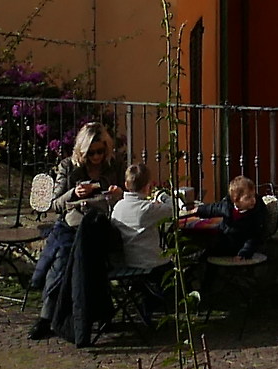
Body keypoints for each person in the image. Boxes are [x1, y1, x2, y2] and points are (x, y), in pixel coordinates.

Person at [28, 121, 122, 343]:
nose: (97, 157)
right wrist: (73, 193)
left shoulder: (114, 166)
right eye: (91, 153)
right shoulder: (67, 167)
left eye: (100, 151)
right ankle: (47, 317)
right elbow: (54, 204)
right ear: (82, 151)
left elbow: (128, 193)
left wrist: (118, 192)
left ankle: (93, 314)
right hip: (73, 224)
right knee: (63, 258)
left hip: (101, 225)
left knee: (87, 257)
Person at [109, 159, 179, 323]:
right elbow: (175, 208)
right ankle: (155, 301)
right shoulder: (147, 209)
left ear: (126, 184)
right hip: (149, 263)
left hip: (126, 261)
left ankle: (145, 297)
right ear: (148, 185)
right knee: (174, 267)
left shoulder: (118, 207)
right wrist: (162, 195)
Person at [192, 173, 271, 261]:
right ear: (236, 200)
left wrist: (243, 253)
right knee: (205, 249)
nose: (253, 200)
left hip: (240, 246)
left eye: (253, 196)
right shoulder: (227, 206)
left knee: (210, 253)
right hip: (224, 239)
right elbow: (214, 208)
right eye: (248, 197)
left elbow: (254, 237)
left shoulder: (256, 214)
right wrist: (199, 210)